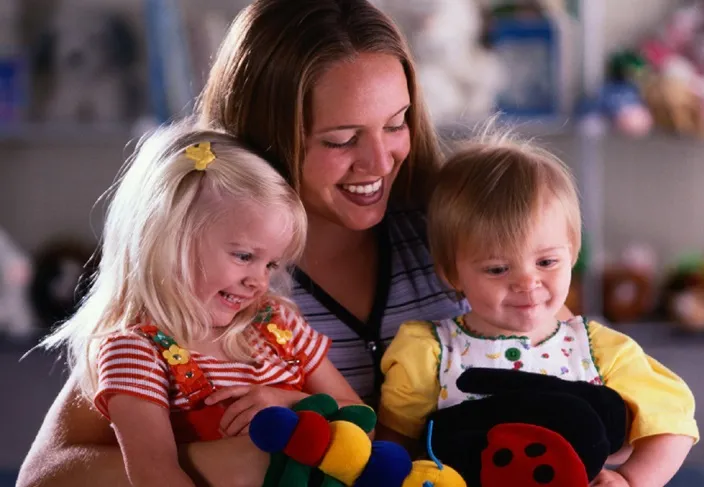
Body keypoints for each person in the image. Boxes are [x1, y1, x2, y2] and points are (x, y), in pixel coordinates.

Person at [18, 1, 571, 485]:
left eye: (396, 123)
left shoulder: (460, 229)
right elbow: (44, 476)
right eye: (341, 138)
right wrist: (231, 459)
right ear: (269, 134)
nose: (381, 163)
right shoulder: (212, 276)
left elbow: (573, 364)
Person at [33, 122, 360, 487]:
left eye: (270, 264)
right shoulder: (135, 352)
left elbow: (361, 418)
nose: (260, 281)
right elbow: (155, 474)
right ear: (172, 240)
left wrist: (287, 401)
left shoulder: (277, 324)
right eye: (244, 256)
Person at [378, 136, 699, 486]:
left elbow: (673, 423)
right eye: (498, 269)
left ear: (572, 253)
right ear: (452, 272)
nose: (527, 282)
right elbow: (394, 447)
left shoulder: (600, 350)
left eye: (546, 261)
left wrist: (631, 480)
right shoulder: (429, 352)